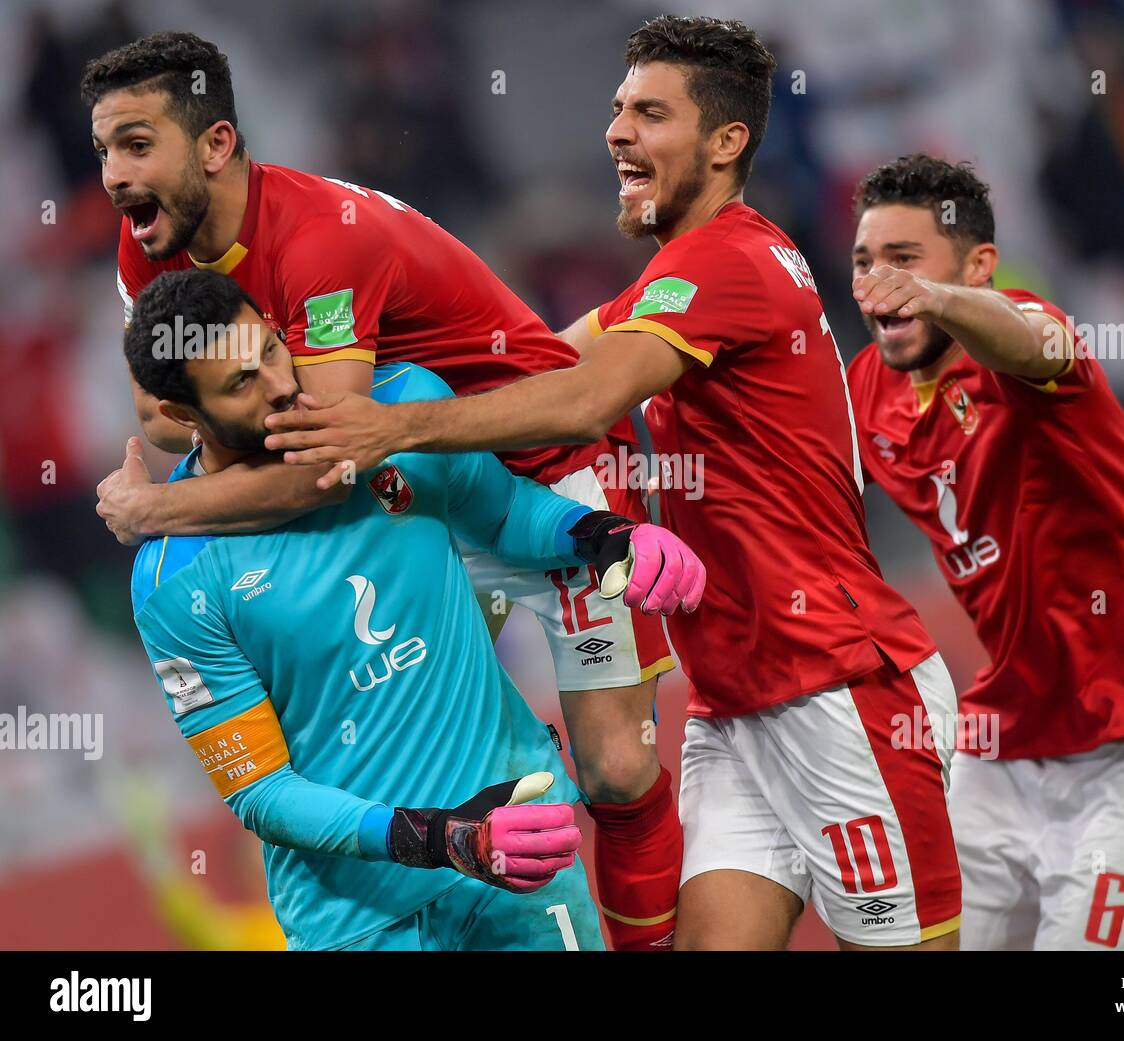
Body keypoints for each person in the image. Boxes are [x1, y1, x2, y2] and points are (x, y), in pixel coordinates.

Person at [265, 16, 962, 951]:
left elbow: (579, 400)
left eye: (649, 112)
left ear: (726, 142)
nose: (617, 132)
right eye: (617, 109)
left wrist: (392, 423)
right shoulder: (681, 277)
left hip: (844, 688)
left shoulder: (726, 263)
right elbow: (540, 365)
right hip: (736, 708)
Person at [83, 31, 682, 949]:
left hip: (531, 462)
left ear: (215, 144)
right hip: (416, 484)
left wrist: (153, 510)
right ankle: (420, 879)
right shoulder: (150, 248)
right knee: (424, 736)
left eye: (137, 144)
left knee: (612, 767)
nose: (116, 176)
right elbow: (170, 417)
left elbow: (320, 467)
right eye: (102, 152)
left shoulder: (319, 240)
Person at [126, 268, 704, 950]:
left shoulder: (397, 409)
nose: (280, 384)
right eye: (240, 383)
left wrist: (605, 536)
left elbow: (508, 512)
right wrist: (440, 837)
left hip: (519, 855)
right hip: (358, 920)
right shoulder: (173, 578)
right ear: (181, 417)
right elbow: (263, 791)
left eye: (272, 350)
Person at [844, 153, 1124, 949]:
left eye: (905, 260)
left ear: (977, 266)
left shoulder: (1024, 340)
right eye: (864, 261)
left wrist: (943, 301)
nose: (879, 282)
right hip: (1005, 741)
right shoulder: (869, 389)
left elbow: (1036, 341)